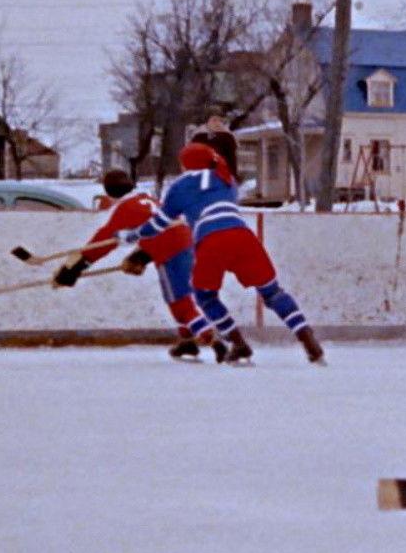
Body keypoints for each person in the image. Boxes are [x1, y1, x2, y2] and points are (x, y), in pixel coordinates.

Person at [119, 143, 325, 366]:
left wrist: (130, 236)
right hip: (242, 235)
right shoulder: (225, 177)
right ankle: (307, 338)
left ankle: (238, 343)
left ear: (184, 164)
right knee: (272, 292)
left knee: (205, 296)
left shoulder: (179, 187)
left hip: (211, 240)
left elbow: (158, 224)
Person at [54, 170, 227, 362]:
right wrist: (142, 256)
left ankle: (213, 340)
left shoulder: (125, 208)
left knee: (180, 303)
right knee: (177, 297)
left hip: (169, 249)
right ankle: (187, 341)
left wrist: (77, 267)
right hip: (187, 241)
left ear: (109, 192)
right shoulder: (147, 199)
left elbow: (105, 240)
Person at [190, 109, 239, 180]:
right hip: (202, 174)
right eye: (214, 120)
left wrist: (233, 176)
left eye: (220, 121)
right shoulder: (199, 137)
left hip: (223, 174)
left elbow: (232, 160)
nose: (218, 123)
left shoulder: (228, 137)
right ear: (207, 122)